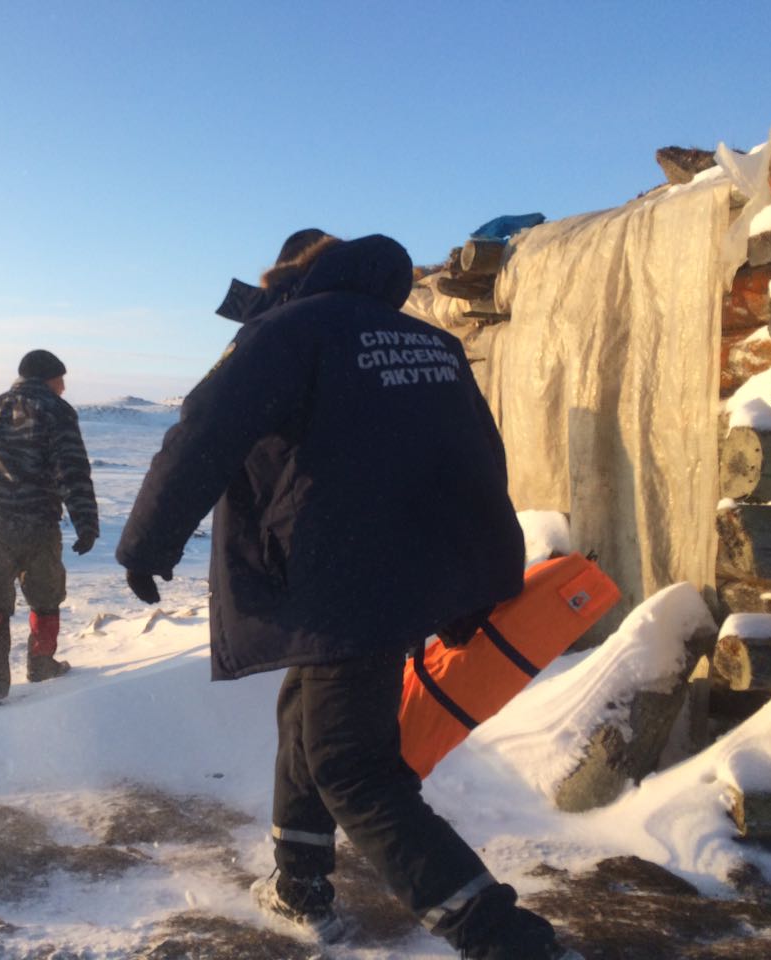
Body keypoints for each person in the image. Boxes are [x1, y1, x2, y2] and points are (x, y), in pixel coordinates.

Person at [115, 230, 581, 959]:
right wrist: (468, 582)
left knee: (350, 767)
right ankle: (299, 886)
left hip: (340, 576)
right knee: (306, 712)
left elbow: (205, 430)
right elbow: (480, 460)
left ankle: (506, 941)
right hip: (406, 573)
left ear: (293, 275)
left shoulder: (290, 331)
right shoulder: (432, 343)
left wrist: (148, 541)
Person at [0, 349, 99, 706]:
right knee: (45, 593)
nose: (64, 388)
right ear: (47, 379)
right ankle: (41, 664)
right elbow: (72, 471)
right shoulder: (56, 411)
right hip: (36, 522)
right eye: (61, 380)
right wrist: (86, 522)